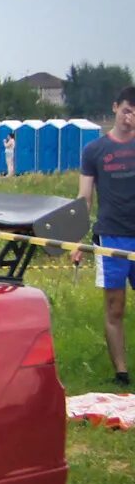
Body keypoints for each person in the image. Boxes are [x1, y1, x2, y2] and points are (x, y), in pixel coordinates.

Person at [75, 89, 135, 386]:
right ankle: (121, 373)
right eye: (126, 110)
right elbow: (84, 198)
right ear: (115, 107)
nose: (129, 117)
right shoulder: (94, 151)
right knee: (115, 307)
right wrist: (77, 240)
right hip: (111, 237)